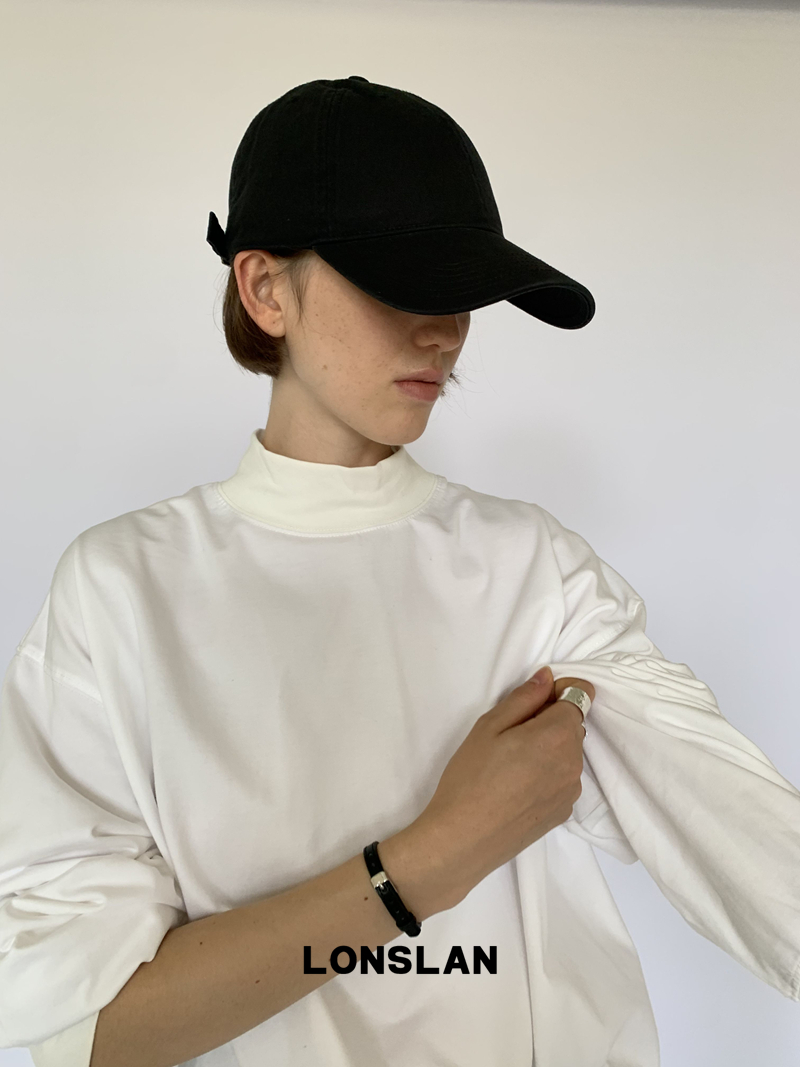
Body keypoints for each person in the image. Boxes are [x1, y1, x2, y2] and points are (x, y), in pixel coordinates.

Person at [1, 76, 798, 1067]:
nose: (444, 329)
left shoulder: (531, 569)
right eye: (399, 282)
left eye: (460, 289)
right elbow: (91, 1027)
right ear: (264, 288)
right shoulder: (123, 592)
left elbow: (745, 838)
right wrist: (430, 858)